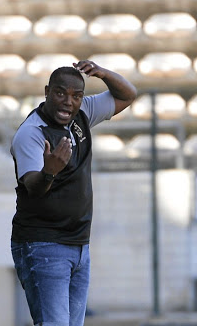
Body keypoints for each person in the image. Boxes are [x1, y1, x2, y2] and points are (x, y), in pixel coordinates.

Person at [10, 61, 137, 326]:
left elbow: (127, 94)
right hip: (43, 244)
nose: (68, 102)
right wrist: (49, 171)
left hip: (79, 245)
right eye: (60, 93)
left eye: (76, 96)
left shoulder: (83, 113)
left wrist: (103, 73)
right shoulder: (31, 133)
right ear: (47, 92)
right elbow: (33, 187)